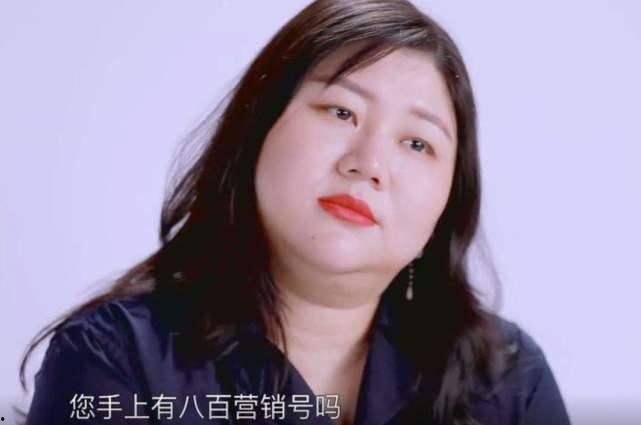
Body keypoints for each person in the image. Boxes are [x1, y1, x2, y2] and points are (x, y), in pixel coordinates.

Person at [17, 0, 571, 424]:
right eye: (341, 111)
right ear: (258, 129)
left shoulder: (506, 383)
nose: (369, 163)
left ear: (449, 203)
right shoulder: (117, 360)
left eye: (417, 143)